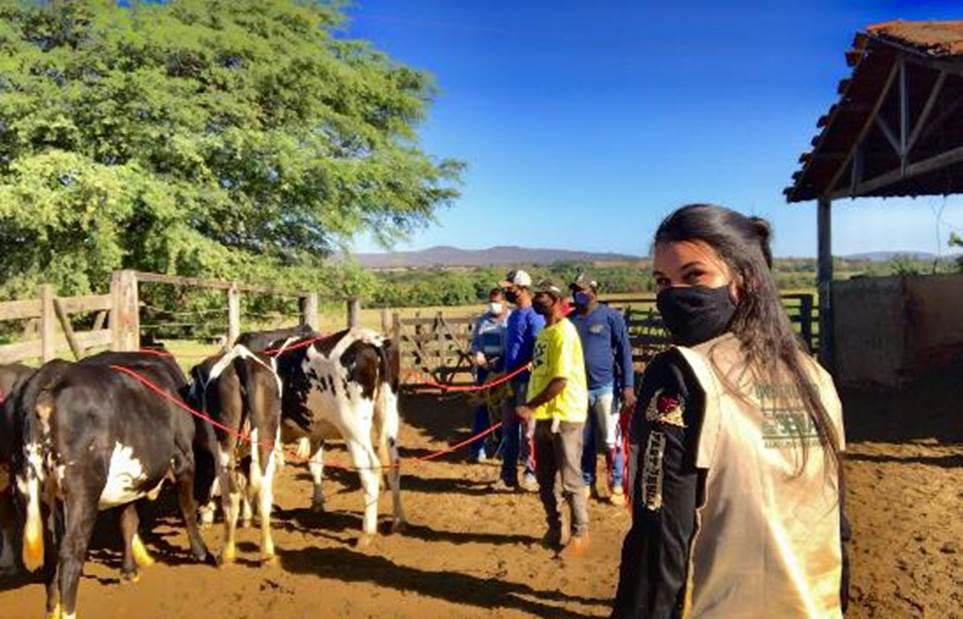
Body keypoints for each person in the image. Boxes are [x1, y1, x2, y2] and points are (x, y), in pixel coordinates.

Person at [612, 204, 850, 618]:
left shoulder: (682, 375)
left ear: (745, 281)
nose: (673, 294)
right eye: (662, 281)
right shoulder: (815, 377)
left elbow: (660, 541)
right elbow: (838, 526)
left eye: (694, 276)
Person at [516, 279, 589, 557]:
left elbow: (560, 380)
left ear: (558, 301)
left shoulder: (565, 333)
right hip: (544, 415)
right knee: (546, 480)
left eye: (545, 295)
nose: (538, 299)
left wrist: (529, 405)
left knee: (570, 480)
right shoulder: (545, 333)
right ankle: (555, 526)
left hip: (565, 414)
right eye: (537, 295)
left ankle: (581, 533)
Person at [568, 271, 636, 504]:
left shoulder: (610, 317)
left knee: (610, 440)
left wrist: (628, 385)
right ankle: (588, 481)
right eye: (575, 290)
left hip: (606, 387)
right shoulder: (571, 320)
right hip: (578, 390)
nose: (578, 294)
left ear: (594, 292)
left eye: (583, 290)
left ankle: (617, 483)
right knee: (584, 440)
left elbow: (625, 351)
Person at [497, 269, 544, 491]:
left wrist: (532, 362)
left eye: (510, 288)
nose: (506, 291)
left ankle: (531, 472)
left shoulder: (534, 316)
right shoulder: (514, 315)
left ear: (522, 289)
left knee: (528, 429)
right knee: (509, 427)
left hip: (526, 379)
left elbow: (538, 346)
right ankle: (508, 474)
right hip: (510, 378)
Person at [466, 287, 511, 463]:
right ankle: (477, 449)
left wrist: (503, 362)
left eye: (497, 302)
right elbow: (476, 343)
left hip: (506, 370)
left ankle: (506, 449)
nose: (494, 306)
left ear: (505, 302)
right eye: (491, 302)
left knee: (506, 410)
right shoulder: (482, 321)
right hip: (485, 371)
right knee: (482, 409)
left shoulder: (511, 320)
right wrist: (478, 354)